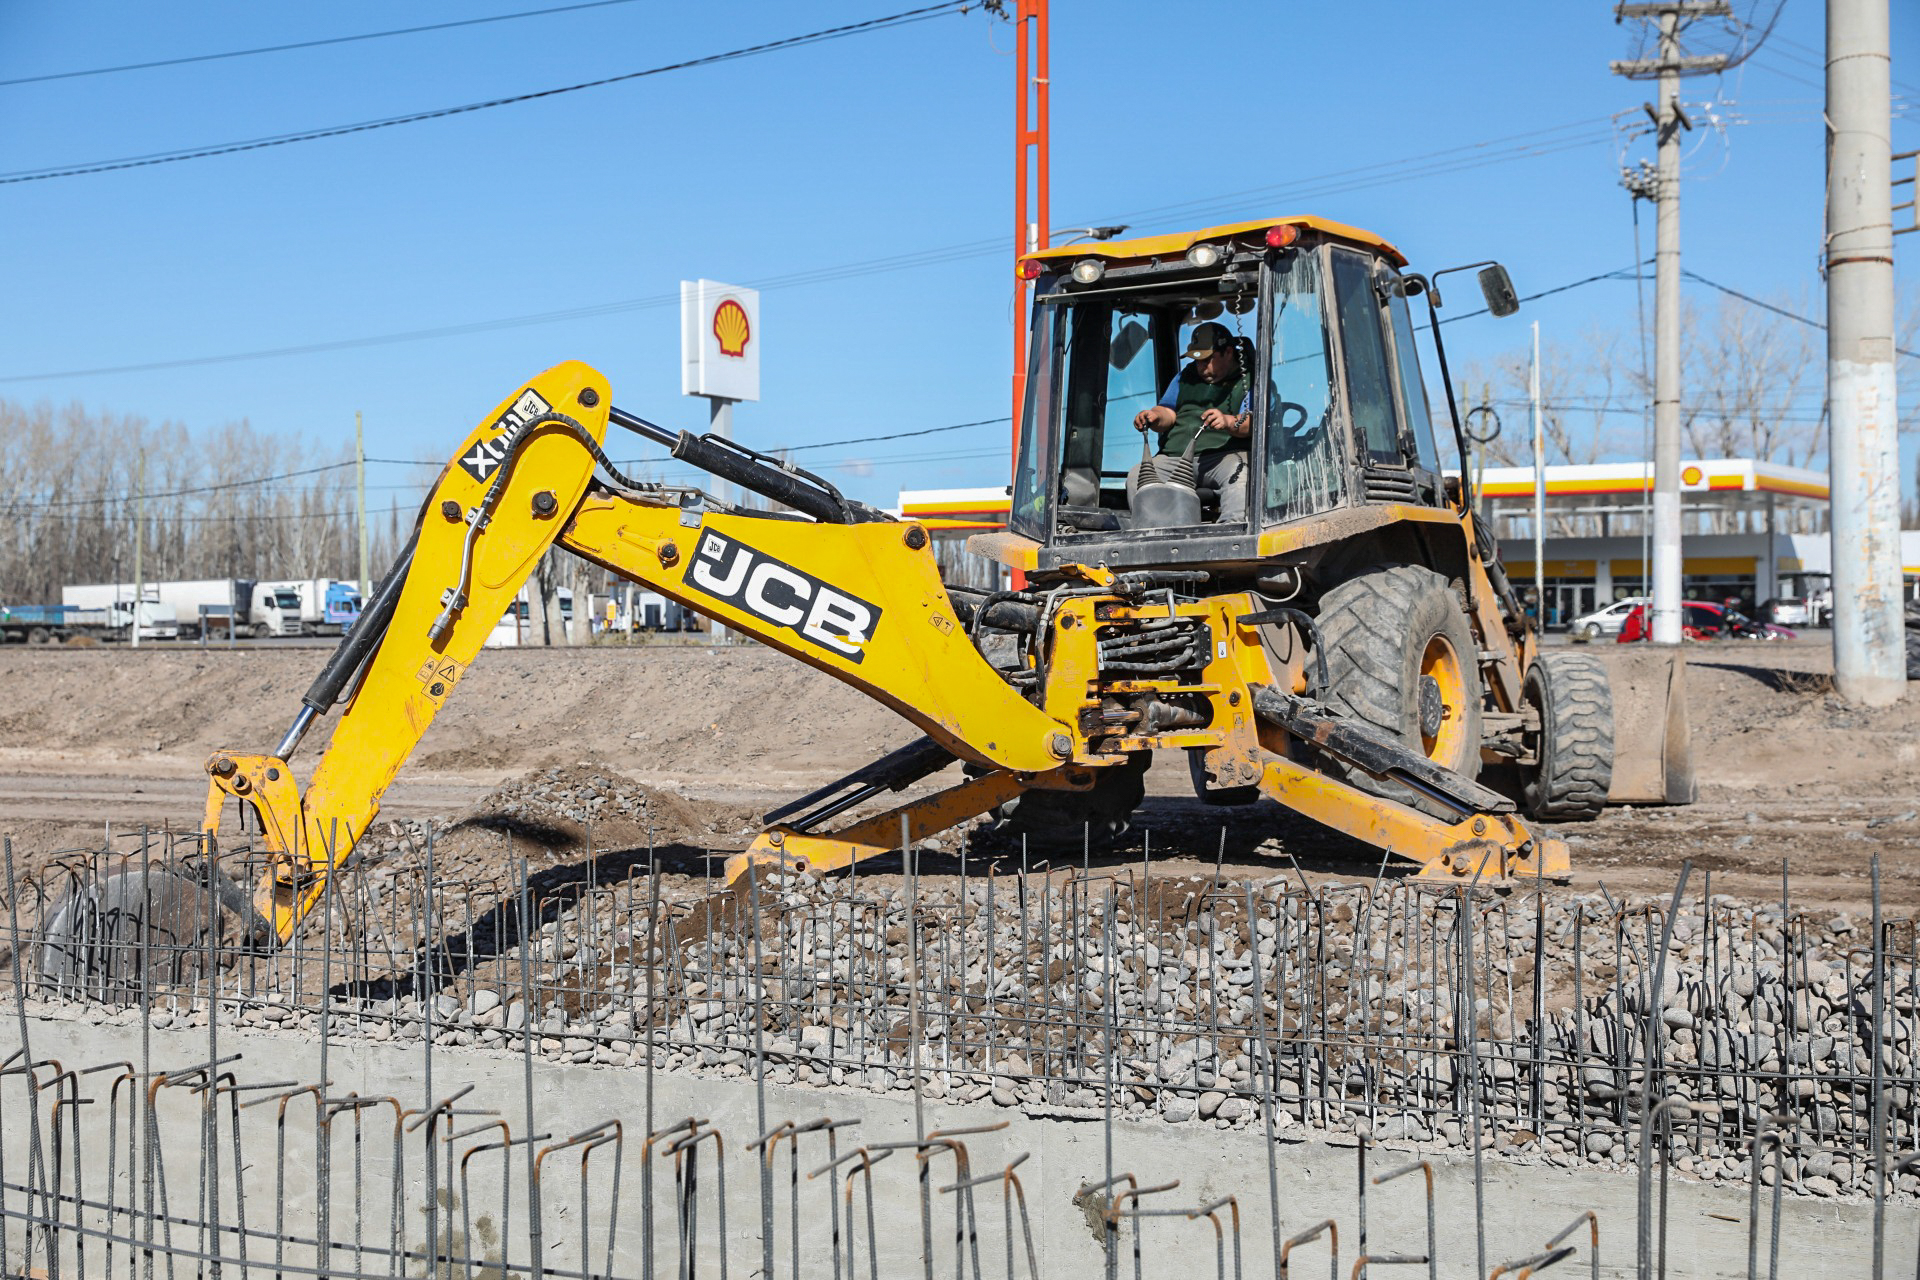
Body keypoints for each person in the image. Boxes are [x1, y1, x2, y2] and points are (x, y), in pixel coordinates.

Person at [1130, 321, 1251, 521]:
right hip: (1176, 457)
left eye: (1207, 360)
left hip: (1224, 457)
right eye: (1197, 361)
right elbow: (1168, 411)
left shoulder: (1250, 378)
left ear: (1228, 352)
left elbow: (1253, 422)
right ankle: (1150, 534)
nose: (1201, 366)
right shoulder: (1186, 376)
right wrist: (1154, 417)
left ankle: (1230, 537)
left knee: (1241, 478)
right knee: (1137, 477)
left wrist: (1228, 421)